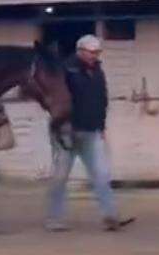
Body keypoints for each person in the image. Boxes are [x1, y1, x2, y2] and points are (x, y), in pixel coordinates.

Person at [47, 35, 132, 232]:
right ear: (80, 51)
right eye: (92, 52)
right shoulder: (65, 70)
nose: (95, 56)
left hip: (92, 131)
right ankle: (54, 218)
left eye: (97, 52)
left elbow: (102, 99)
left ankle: (110, 216)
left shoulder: (98, 71)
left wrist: (102, 126)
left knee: (102, 174)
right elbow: (56, 100)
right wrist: (62, 124)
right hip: (66, 132)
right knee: (60, 177)